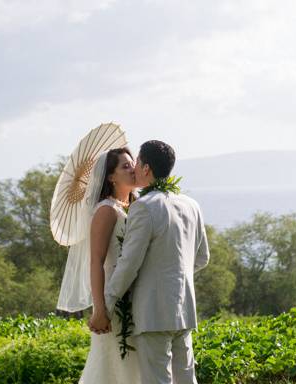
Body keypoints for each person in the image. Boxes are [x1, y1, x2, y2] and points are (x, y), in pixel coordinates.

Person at [104, 140, 210, 384]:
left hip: (152, 311)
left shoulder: (143, 207)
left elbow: (129, 264)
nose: (135, 168)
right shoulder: (192, 205)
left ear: (146, 168)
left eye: (138, 162)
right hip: (184, 309)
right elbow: (202, 258)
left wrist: (106, 307)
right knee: (186, 379)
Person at [57, 147, 141, 383]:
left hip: (137, 299)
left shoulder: (135, 206)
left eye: (132, 163)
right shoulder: (106, 210)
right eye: (125, 166)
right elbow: (96, 261)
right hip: (115, 302)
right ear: (111, 177)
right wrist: (100, 309)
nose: (133, 168)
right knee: (114, 368)